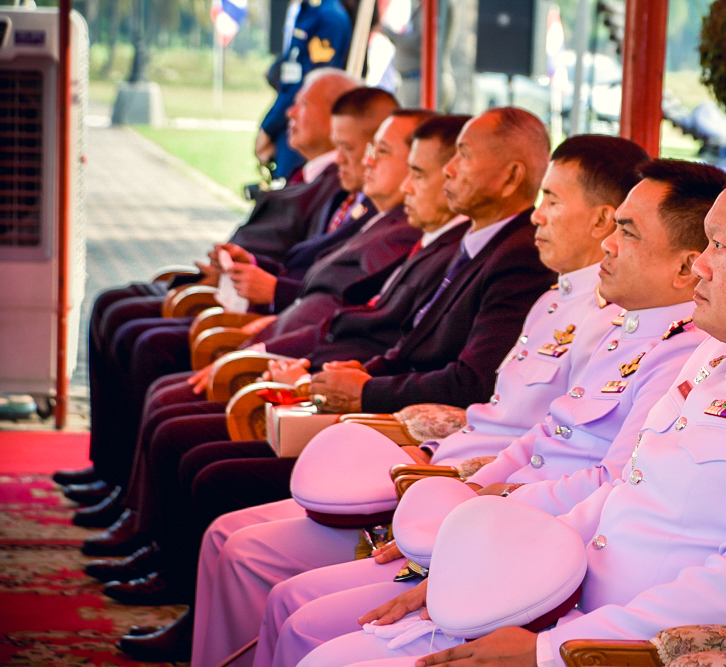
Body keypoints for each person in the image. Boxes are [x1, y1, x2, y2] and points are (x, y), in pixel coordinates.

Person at [286, 162, 726, 667]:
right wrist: (486, 572)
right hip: (571, 610)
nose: (698, 263)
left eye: (720, 247)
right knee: (329, 648)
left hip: (633, 653)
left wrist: (550, 651)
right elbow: (624, 492)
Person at [186, 135, 654, 667]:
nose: (536, 216)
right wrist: (454, 483)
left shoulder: (612, 321)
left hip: (488, 515)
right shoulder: (556, 299)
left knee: (285, 599)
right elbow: (526, 431)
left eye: (551, 200)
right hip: (449, 483)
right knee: (232, 539)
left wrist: (467, 497)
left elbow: (575, 460)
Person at [103, 108, 554, 652]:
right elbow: (404, 338)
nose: (449, 171)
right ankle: (187, 605)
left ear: (510, 176)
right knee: (198, 456)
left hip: (423, 447)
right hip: (397, 418)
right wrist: (352, 375)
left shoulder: (520, 257)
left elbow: (472, 384)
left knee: (208, 470)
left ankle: (189, 611)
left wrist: (362, 389)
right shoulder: (481, 244)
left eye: (555, 203)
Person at [65, 69, 360, 509]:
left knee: (141, 337)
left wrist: (270, 291)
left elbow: (334, 292)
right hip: (247, 296)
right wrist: (240, 266)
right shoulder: (322, 180)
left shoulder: (346, 190)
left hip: (272, 321)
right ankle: (111, 474)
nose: (290, 113)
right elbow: (305, 262)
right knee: (113, 306)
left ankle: (128, 499)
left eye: (302, 104)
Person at [258, 0, 352, 179]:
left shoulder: (329, 17)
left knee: (294, 184)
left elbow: (310, 88)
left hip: (305, 124)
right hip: (288, 121)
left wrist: (268, 129)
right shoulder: (308, 10)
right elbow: (291, 68)